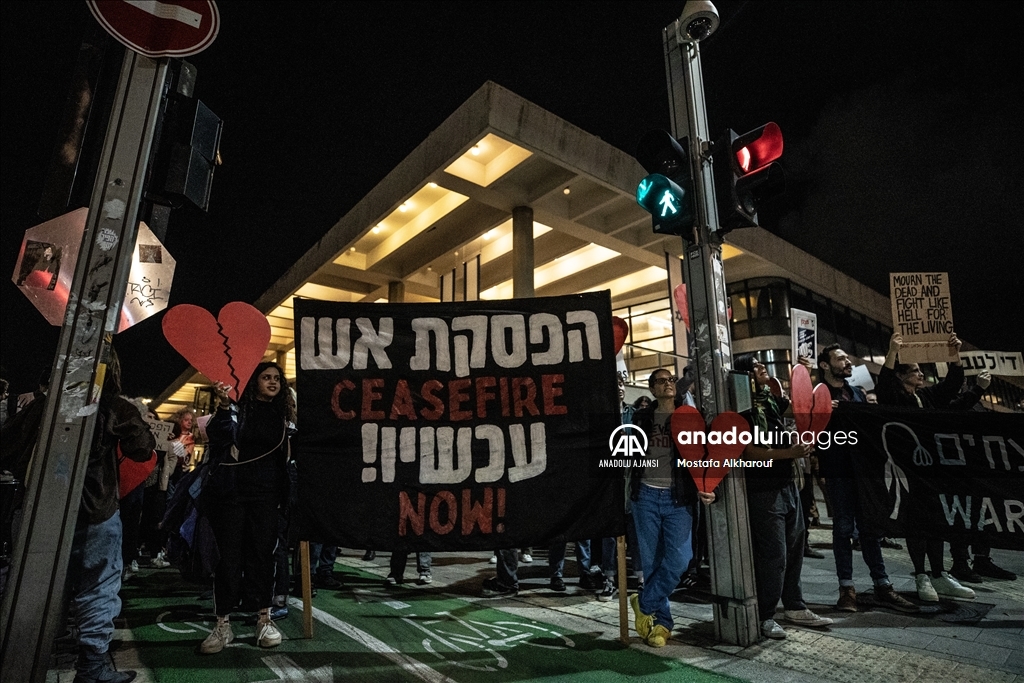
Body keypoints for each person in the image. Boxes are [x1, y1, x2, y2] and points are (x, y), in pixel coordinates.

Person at [877, 332, 990, 601]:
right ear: (901, 375)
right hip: (909, 471)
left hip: (932, 471)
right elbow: (883, 384)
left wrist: (954, 355)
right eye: (914, 371)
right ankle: (921, 576)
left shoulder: (925, 398)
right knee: (916, 524)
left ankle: (939, 574)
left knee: (936, 522)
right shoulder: (895, 397)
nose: (920, 375)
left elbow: (952, 386)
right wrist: (893, 351)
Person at [69, 347, 155, 683]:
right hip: (96, 505)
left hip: (42, 511)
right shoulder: (111, 405)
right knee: (99, 586)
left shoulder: (48, 402)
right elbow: (143, 446)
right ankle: (91, 667)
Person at [734, 354, 833, 640]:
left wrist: (807, 376)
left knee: (794, 547)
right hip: (762, 489)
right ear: (743, 376)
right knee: (774, 554)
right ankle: (765, 615)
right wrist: (789, 453)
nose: (761, 367)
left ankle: (794, 606)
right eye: (754, 365)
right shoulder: (743, 407)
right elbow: (748, 451)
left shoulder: (772, 399)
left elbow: (802, 411)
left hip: (788, 485)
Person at [200, 363, 296, 654]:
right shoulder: (238, 409)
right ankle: (222, 625)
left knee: (263, 558)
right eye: (266, 377)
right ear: (254, 382)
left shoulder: (284, 416)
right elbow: (219, 435)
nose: (273, 382)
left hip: (267, 498)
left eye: (277, 379)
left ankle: (264, 620)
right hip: (232, 495)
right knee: (228, 559)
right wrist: (225, 404)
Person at [815, 344, 917, 613]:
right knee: (843, 529)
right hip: (839, 471)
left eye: (847, 358)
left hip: (864, 473)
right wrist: (823, 412)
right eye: (840, 359)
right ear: (825, 365)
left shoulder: (857, 393)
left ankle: (882, 584)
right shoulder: (819, 394)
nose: (847, 362)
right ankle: (847, 589)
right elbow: (809, 429)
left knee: (870, 527)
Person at [628, 368, 717, 648]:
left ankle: (643, 603)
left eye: (670, 380)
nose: (668, 384)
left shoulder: (690, 416)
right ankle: (662, 625)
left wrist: (707, 485)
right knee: (652, 563)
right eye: (661, 381)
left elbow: (702, 454)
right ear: (652, 389)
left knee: (680, 559)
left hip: (678, 499)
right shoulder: (641, 418)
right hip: (646, 497)